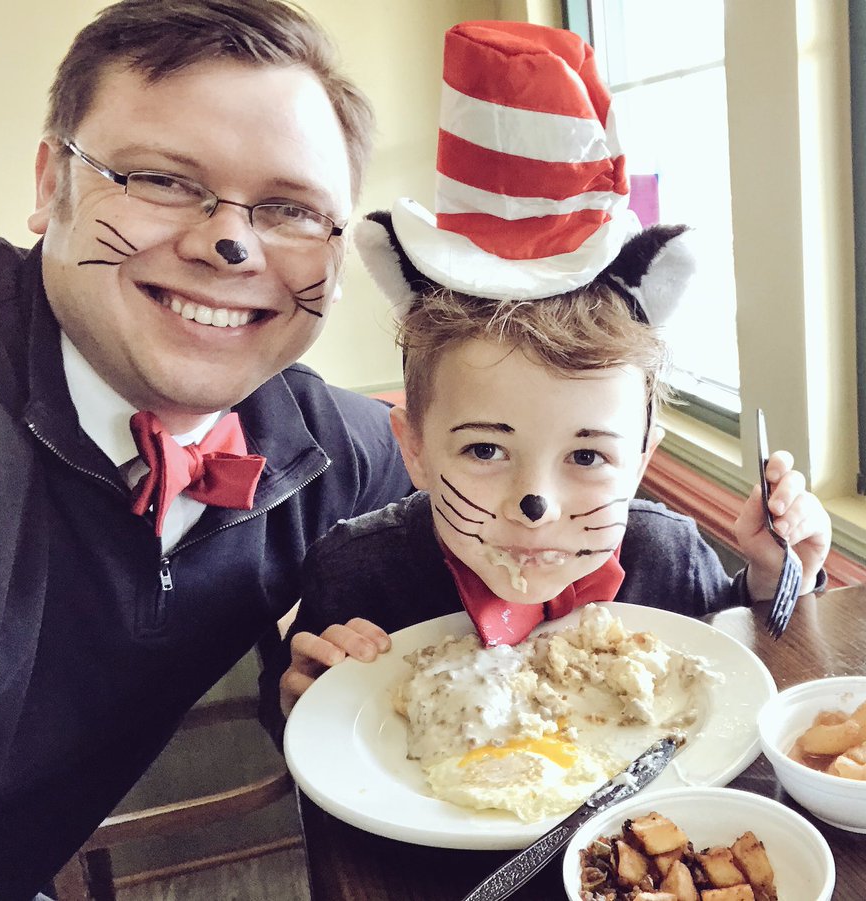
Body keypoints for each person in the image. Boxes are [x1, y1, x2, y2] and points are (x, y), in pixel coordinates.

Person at [0, 1, 414, 896]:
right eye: (164, 179)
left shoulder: (343, 452)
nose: (229, 239)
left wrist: (763, 577)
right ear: (50, 180)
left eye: (291, 207)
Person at [274, 21, 832, 719]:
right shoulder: (356, 573)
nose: (534, 504)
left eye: (588, 454)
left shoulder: (669, 556)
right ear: (413, 446)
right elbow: (307, 731)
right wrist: (301, 696)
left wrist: (778, 576)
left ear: (641, 458)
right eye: (484, 448)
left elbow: (739, 675)